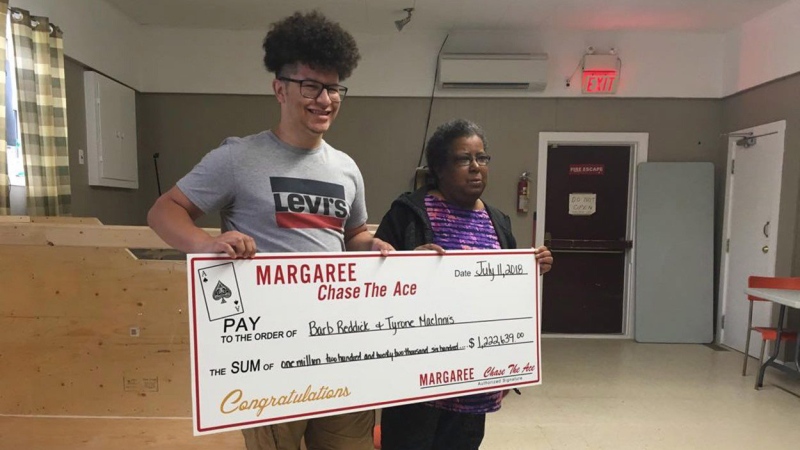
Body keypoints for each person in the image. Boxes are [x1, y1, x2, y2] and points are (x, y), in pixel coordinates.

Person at [147, 11, 392, 450]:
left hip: (341, 342)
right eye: (311, 86)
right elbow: (164, 211)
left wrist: (370, 244)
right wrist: (206, 244)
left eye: (334, 87)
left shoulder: (346, 167)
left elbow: (350, 234)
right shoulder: (237, 158)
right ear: (279, 88)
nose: (325, 99)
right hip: (268, 352)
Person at [374, 118, 553, 450]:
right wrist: (406, 264)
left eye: (482, 158)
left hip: (474, 383)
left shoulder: (497, 221)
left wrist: (531, 268)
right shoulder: (409, 213)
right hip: (417, 383)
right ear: (439, 167)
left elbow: (508, 297)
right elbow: (375, 286)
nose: (476, 168)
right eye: (463, 159)